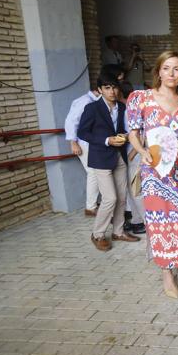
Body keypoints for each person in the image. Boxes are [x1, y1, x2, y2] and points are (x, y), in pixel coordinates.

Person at [126, 50, 178, 299]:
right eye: (166, 68)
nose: (171, 73)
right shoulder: (142, 98)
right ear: (158, 71)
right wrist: (142, 152)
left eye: (177, 69)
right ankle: (167, 273)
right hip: (156, 169)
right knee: (161, 222)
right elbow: (133, 133)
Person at [77, 73, 140, 251]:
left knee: (121, 197)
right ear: (99, 90)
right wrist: (106, 140)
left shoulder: (121, 106)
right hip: (100, 157)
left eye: (114, 87)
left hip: (119, 156)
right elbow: (83, 133)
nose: (112, 91)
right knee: (110, 198)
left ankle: (118, 232)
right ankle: (97, 234)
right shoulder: (92, 108)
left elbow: (125, 129)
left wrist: (125, 136)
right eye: (107, 88)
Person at [64, 85, 101, 217]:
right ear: (99, 89)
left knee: (96, 173)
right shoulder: (85, 101)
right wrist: (73, 142)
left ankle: (93, 206)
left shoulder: (93, 101)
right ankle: (90, 208)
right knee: (94, 172)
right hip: (83, 143)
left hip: (90, 142)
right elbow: (71, 121)